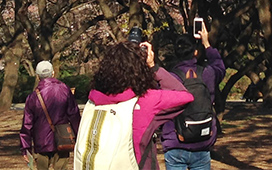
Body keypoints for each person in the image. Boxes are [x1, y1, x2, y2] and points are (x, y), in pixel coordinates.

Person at [78, 40, 192, 170]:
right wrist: (153, 67)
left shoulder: (93, 101)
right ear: (140, 71)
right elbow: (185, 96)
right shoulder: (147, 101)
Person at [161, 22, 226, 170]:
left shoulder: (170, 78)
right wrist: (206, 43)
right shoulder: (207, 74)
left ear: (176, 53)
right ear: (195, 52)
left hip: (175, 143)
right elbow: (219, 66)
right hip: (202, 143)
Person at [20, 60, 81, 170]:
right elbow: (74, 115)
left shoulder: (33, 97)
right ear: (53, 73)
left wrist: (26, 147)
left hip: (41, 141)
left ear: (38, 77)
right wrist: (78, 135)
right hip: (63, 138)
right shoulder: (65, 90)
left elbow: (27, 125)